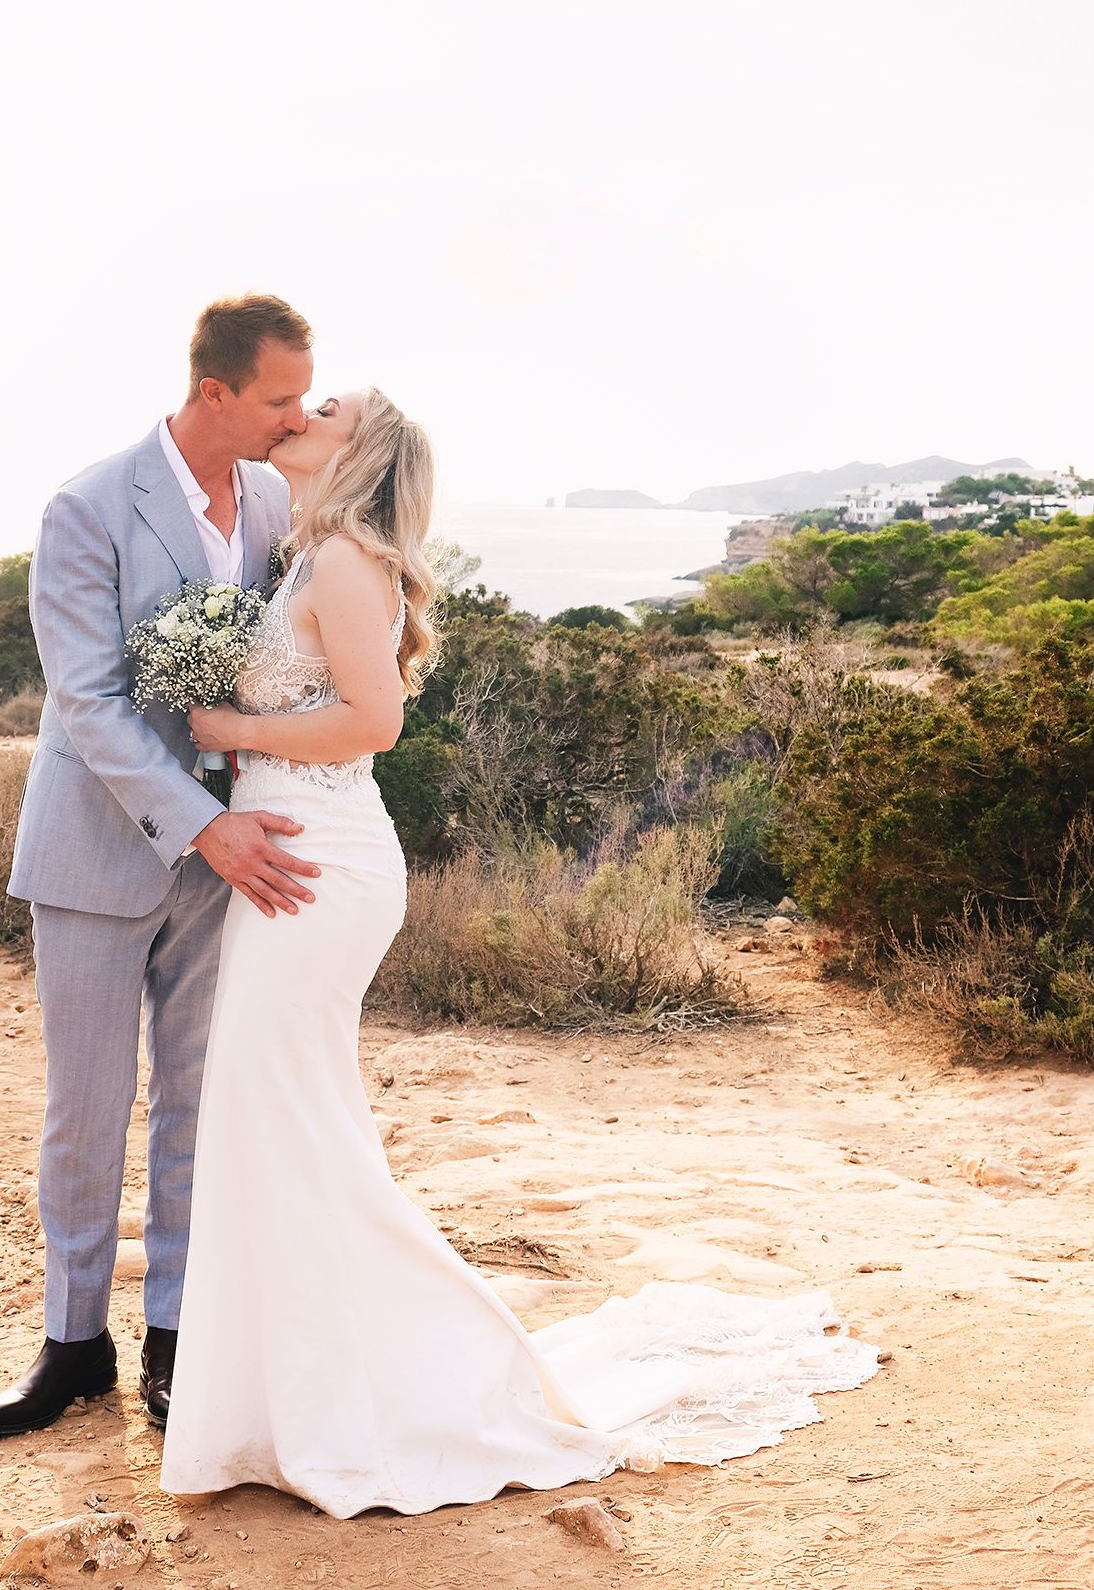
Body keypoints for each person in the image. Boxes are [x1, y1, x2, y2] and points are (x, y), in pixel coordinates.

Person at [159, 386, 880, 1516]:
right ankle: (294, 1401)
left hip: (319, 863)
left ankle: (408, 1389)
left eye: (329, 406)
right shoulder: (302, 555)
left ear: (362, 451)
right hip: (289, 857)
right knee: (279, 1119)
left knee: (289, 1120)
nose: (305, 407)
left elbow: (376, 720)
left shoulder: (348, 559)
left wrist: (234, 729)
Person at [0, 295, 323, 1439]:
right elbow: (88, 700)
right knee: (86, 1110)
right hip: (95, 850)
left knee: (196, 1101)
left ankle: (178, 1338)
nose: (297, 414)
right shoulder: (86, 506)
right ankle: (73, 1341)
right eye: (279, 397)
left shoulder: (273, 497)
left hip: (229, 854)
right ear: (214, 391)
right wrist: (199, 821)